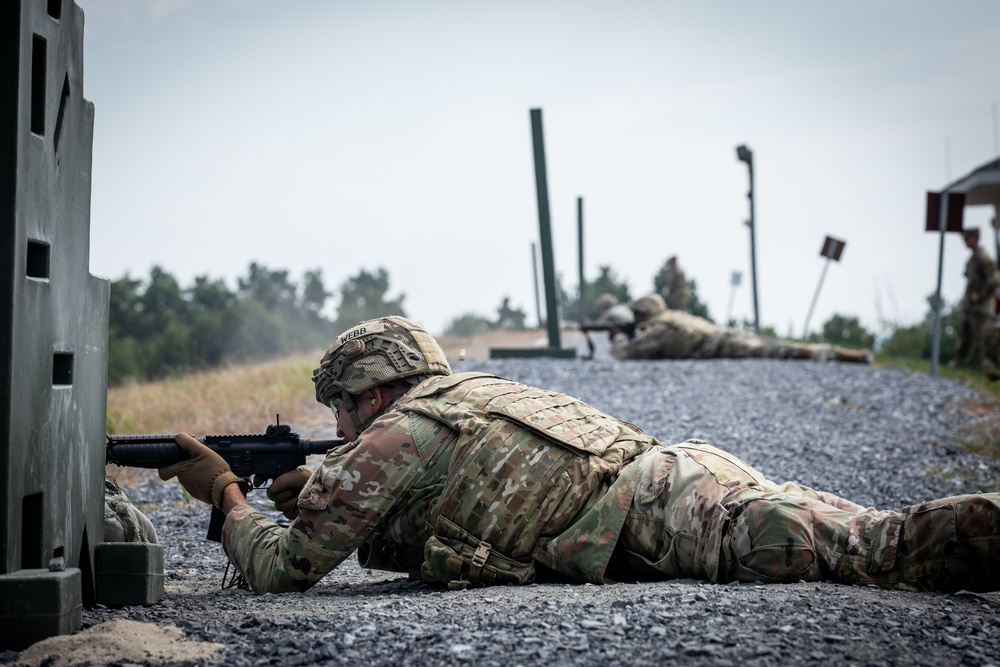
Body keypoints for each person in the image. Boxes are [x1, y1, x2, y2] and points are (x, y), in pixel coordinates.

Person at [158, 316, 999, 595]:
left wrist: (226, 493)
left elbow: (286, 571)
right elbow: (448, 516)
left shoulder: (396, 431)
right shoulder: (466, 397)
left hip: (672, 510)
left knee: (875, 553)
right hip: (683, 477)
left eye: (341, 406)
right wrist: (315, 490)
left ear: (373, 393)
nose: (337, 425)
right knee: (870, 536)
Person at [609, 293, 872, 363]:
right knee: (775, 345)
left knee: (780, 352)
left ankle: (835, 354)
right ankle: (838, 352)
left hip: (722, 345)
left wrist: (619, 339)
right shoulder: (674, 317)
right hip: (725, 335)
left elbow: (626, 354)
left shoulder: (661, 328)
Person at [950, 227, 1000, 375]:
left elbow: (995, 280)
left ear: (975, 238)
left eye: (967, 238)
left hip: (981, 308)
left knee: (984, 340)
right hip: (970, 308)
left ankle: (991, 370)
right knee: (964, 338)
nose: (964, 241)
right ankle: (956, 366)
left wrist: (981, 295)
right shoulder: (972, 259)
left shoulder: (984, 258)